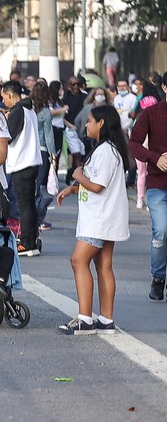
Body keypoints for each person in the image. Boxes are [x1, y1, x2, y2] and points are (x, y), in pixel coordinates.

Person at [56, 105, 131, 335]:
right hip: (105, 215)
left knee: (78, 260)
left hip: (99, 218)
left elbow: (97, 186)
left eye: (89, 120)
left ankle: (85, 318)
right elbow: (99, 184)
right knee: (103, 264)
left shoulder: (106, 151)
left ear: (101, 123)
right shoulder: (109, 149)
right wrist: (74, 189)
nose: (86, 125)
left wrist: (77, 173)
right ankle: (106, 320)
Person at [127, 72, 167, 301]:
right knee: (161, 230)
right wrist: (155, 157)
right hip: (157, 184)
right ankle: (158, 278)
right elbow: (133, 143)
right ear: (164, 87)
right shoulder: (151, 114)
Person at [0, 81, 43, 256]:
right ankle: (31, 241)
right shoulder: (29, 109)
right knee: (30, 205)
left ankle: (25, 243)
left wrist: (4, 121)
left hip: (21, 163)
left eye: (4, 97)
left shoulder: (18, 111)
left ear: (10, 95)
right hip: (32, 162)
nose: (3, 102)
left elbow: (9, 136)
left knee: (24, 205)